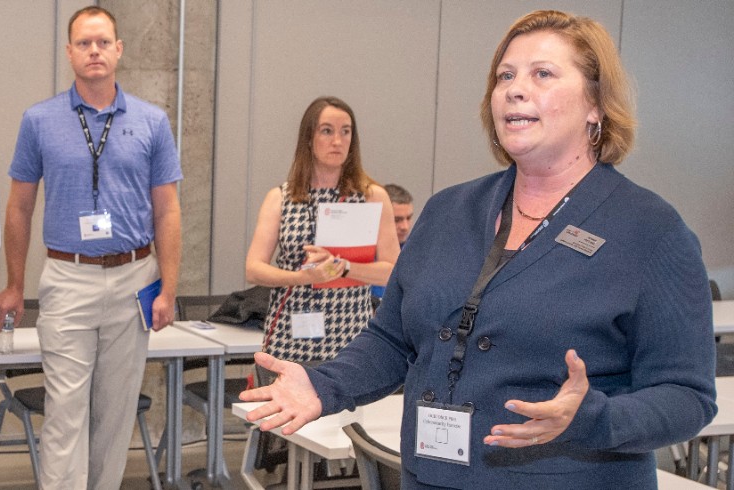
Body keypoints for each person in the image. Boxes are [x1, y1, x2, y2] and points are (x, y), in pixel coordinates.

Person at [241, 10, 717, 489]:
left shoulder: (652, 232)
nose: (514, 88)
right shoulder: (449, 211)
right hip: (430, 476)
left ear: (595, 103)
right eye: (504, 76)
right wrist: (323, 385)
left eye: (542, 74)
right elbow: (393, 341)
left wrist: (597, 417)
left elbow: (687, 396)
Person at [0, 6, 182, 488]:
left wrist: (169, 289)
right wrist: (14, 284)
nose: (94, 51)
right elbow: (18, 209)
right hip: (68, 278)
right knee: (65, 415)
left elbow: (168, 211)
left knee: (115, 417)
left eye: (102, 42)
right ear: (69, 52)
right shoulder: (39, 120)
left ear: (119, 49)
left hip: (133, 278)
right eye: (84, 43)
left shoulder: (152, 121)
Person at [244, 96, 400, 366]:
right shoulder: (281, 198)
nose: (337, 141)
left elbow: (393, 270)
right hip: (290, 335)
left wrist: (343, 267)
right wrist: (304, 277)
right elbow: (253, 269)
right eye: (327, 131)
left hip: (351, 335)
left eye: (346, 131)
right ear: (309, 138)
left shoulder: (372, 197)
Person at [372, 183, 414, 300]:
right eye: (397, 220)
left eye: (409, 218)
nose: (405, 226)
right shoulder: (364, 253)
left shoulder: (418, 250)